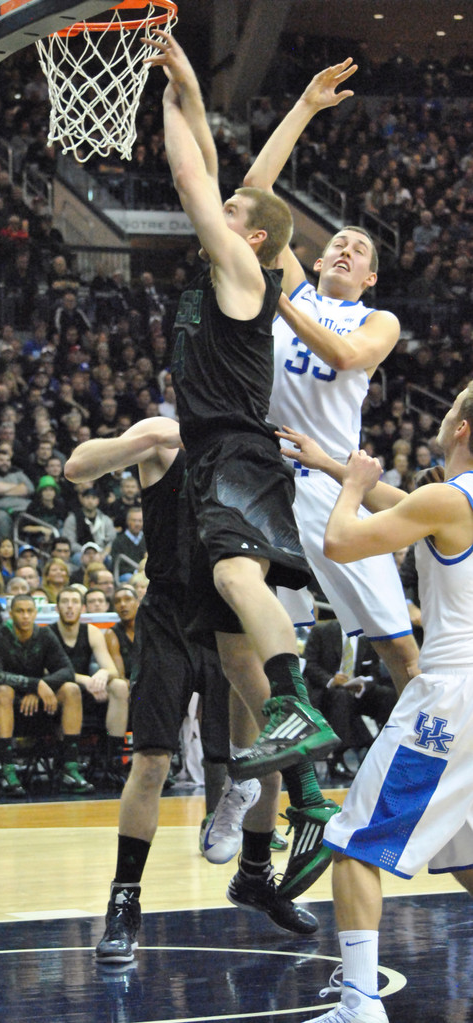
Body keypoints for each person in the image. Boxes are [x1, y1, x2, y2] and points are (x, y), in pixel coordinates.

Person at [145, 32, 340, 897]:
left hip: (236, 449)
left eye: (235, 209)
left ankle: (298, 706)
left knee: (235, 574)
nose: (218, 204)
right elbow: (243, 184)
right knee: (231, 666)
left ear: (250, 234)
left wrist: (179, 98)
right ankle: (298, 797)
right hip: (206, 458)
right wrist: (191, 87)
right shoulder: (238, 258)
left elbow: (197, 180)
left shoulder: (240, 270)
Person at [65, 415, 320, 964]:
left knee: (269, 754)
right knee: (153, 762)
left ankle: (255, 874)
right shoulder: (166, 434)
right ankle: (123, 901)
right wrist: (151, 440)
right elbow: (76, 466)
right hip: (171, 615)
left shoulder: (260, 448)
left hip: (235, 618)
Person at [278, 384, 473, 1022]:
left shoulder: (448, 497)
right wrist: (337, 467)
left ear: (462, 429)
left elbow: (341, 543)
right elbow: (413, 508)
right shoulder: (447, 503)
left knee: (355, 844)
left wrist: (351, 490)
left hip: (450, 697)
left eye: (446, 414)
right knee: (467, 855)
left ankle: (359, 1004)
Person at [243, 60, 419, 696]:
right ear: (317, 259)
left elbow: (346, 357)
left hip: (331, 479)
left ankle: (433, 758)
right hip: (265, 470)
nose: (346, 249)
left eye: (361, 250)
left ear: (370, 276)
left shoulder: (380, 320)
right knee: (253, 635)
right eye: (339, 242)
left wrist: (277, 301)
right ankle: (262, 774)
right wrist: (306, 109)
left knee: (399, 646)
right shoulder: (296, 284)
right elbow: (255, 192)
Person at [0, 592, 93, 796]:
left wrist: (42, 686)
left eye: (29, 611)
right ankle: (8, 771)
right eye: (20, 611)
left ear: (36, 613)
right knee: (3, 691)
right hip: (3, 702)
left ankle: (69, 769)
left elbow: (67, 670)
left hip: (38, 701)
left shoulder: (43, 635)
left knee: (71, 689)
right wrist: (35, 685)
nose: (25, 616)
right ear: (10, 614)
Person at [51, 586, 129, 785]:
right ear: (57, 608)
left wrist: (102, 674)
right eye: (65, 602)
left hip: (87, 691)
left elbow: (111, 669)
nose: (70, 607)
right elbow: (47, 674)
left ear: (83, 608)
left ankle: (114, 761)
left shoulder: (92, 632)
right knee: (71, 689)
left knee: (119, 686)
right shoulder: (49, 634)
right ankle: (69, 765)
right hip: (57, 694)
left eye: (75, 602)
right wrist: (84, 679)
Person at [302, 620, 397, 781]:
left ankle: (380, 749)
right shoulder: (322, 631)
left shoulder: (367, 636)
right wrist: (332, 680)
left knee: (388, 695)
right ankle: (336, 758)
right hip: (326, 692)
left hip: (356, 693)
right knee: (342, 697)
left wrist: (363, 685)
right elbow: (309, 666)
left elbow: (373, 672)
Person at [0, 444, 34, 541]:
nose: (5, 463)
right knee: (1, 517)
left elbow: (30, 488)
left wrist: (2, 491)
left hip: (24, 509)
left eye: (8, 460)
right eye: (1, 460)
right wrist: (19, 488)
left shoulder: (18, 474)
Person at [105, 584, 139, 681]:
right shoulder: (112, 634)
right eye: (117, 601)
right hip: (131, 687)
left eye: (127, 599)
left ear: (138, 603)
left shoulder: (149, 629)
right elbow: (120, 676)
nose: (122, 604)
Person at [110, 507, 147, 582]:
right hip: (127, 575)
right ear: (127, 521)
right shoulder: (118, 541)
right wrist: (137, 572)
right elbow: (116, 565)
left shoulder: (149, 540)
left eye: (140, 521)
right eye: (134, 520)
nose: (137, 524)